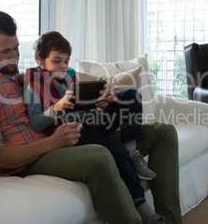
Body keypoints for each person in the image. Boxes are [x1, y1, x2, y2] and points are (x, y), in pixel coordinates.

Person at [0, 10, 182, 224]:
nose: (14, 57)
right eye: (5, 51)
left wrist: (101, 102)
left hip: (70, 134)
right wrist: (51, 143)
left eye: (16, 48)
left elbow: (70, 97)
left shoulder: (25, 76)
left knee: (163, 133)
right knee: (99, 155)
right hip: (35, 155)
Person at [21, 30, 156, 181]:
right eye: (57, 61)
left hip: (94, 119)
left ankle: (132, 154)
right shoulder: (32, 82)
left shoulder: (70, 77)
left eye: (66, 61)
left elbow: (88, 107)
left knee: (131, 95)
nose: (63, 66)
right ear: (39, 59)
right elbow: (36, 124)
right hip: (79, 130)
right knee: (115, 147)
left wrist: (102, 105)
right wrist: (57, 107)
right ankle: (137, 196)